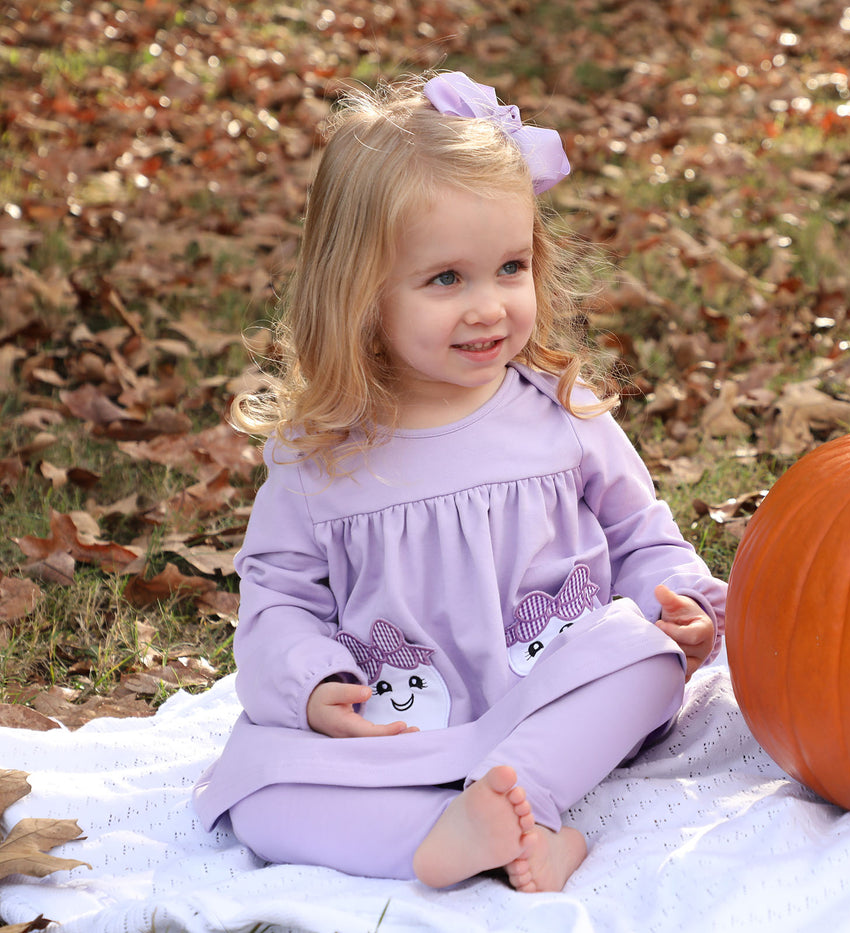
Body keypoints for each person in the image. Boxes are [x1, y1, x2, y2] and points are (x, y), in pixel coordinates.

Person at [192, 71, 726, 893]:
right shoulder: (319, 455)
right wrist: (314, 684)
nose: (488, 307)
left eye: (509, 268)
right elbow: (279, 596)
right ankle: (474, 832)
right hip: (403, 725)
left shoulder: (561, 413)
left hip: (555, 702)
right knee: (261, 801)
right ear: (360, 296)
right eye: (447, 279)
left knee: (644, 658)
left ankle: (521, 794)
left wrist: (675, 598)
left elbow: (638, 531)